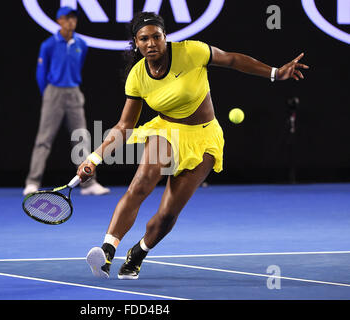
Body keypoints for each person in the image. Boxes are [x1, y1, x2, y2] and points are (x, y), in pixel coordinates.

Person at [79, 12, 309, 279]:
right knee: (142, 181)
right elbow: (124, 126)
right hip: (166, 130)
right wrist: (94, 159)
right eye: (144, 38)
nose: (151, 43)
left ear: (165, 38)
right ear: (136, 43)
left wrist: (274, 73)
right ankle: (107, 251)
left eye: (156, 36)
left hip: (204, 137)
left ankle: (138, 253)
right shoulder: (137, 77)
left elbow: (232, 59)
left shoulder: (192, 51)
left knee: (167, 215)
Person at [23, 6, 110, 196]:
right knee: (44, 140)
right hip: (53, 93)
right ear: (59, 21)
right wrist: (48, 94)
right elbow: (41, 74)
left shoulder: (82, 44)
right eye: (67, 18)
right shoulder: (48, 45)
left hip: (74, 92)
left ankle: (88, 184)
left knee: (81, 137)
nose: (71, 21)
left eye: (73, 18)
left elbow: (78, 67)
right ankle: (32, 182)